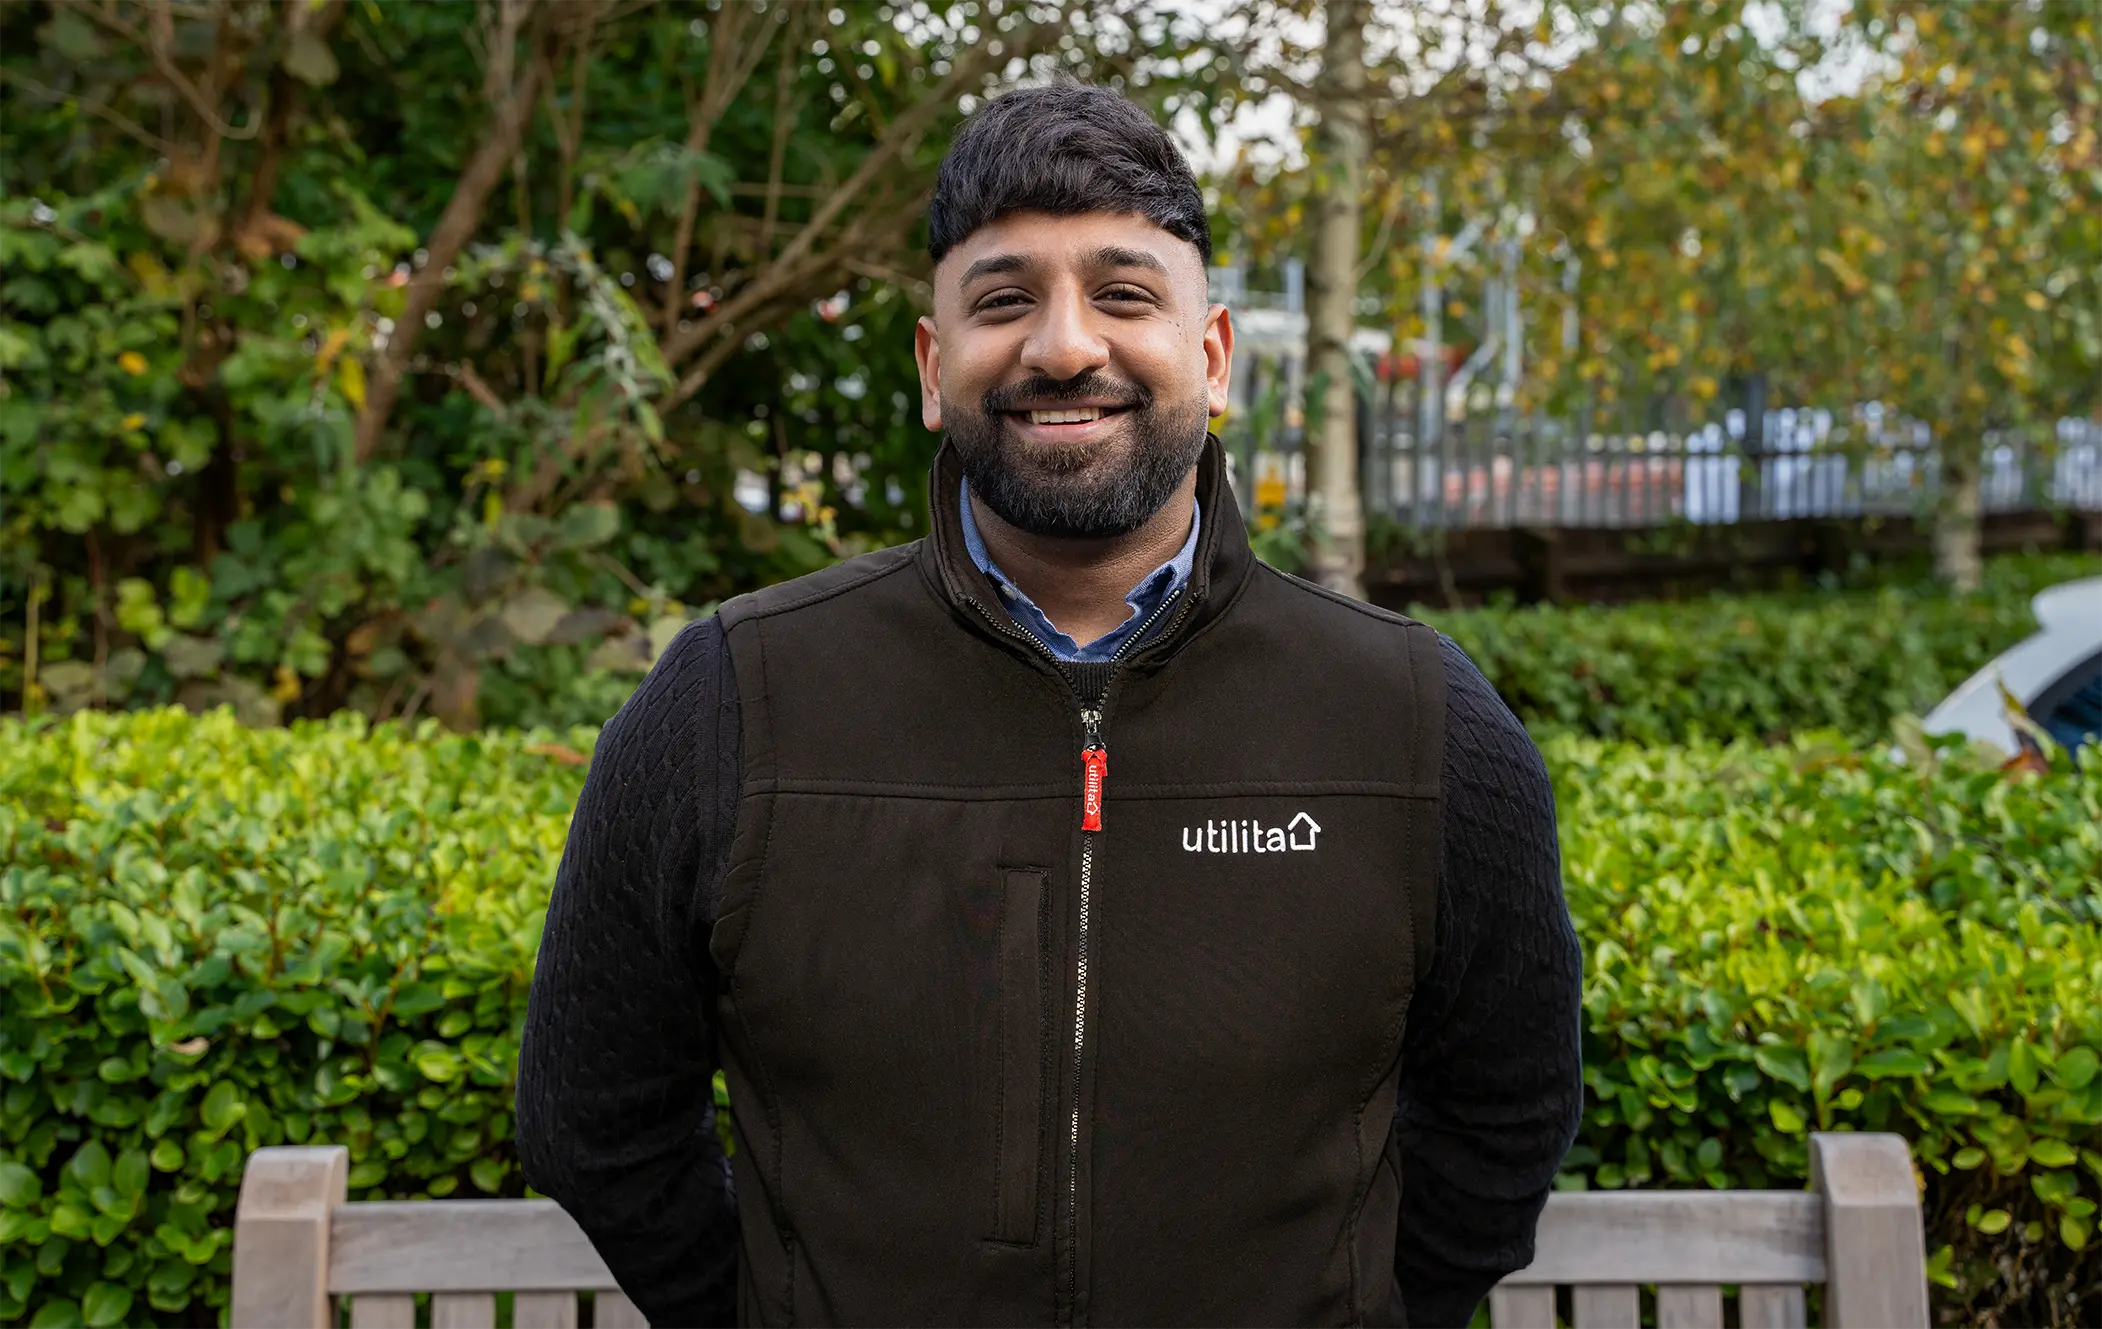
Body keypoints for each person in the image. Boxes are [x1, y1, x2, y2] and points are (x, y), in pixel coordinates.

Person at [516, 79, 1582, 1329]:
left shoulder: (1412, 720)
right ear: (933, 368)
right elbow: (592, 1118)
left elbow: (1506, 1116)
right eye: (1002, 299)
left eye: (1122, 294)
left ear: (1211, 357)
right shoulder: (729, 701)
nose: (1064, 346)